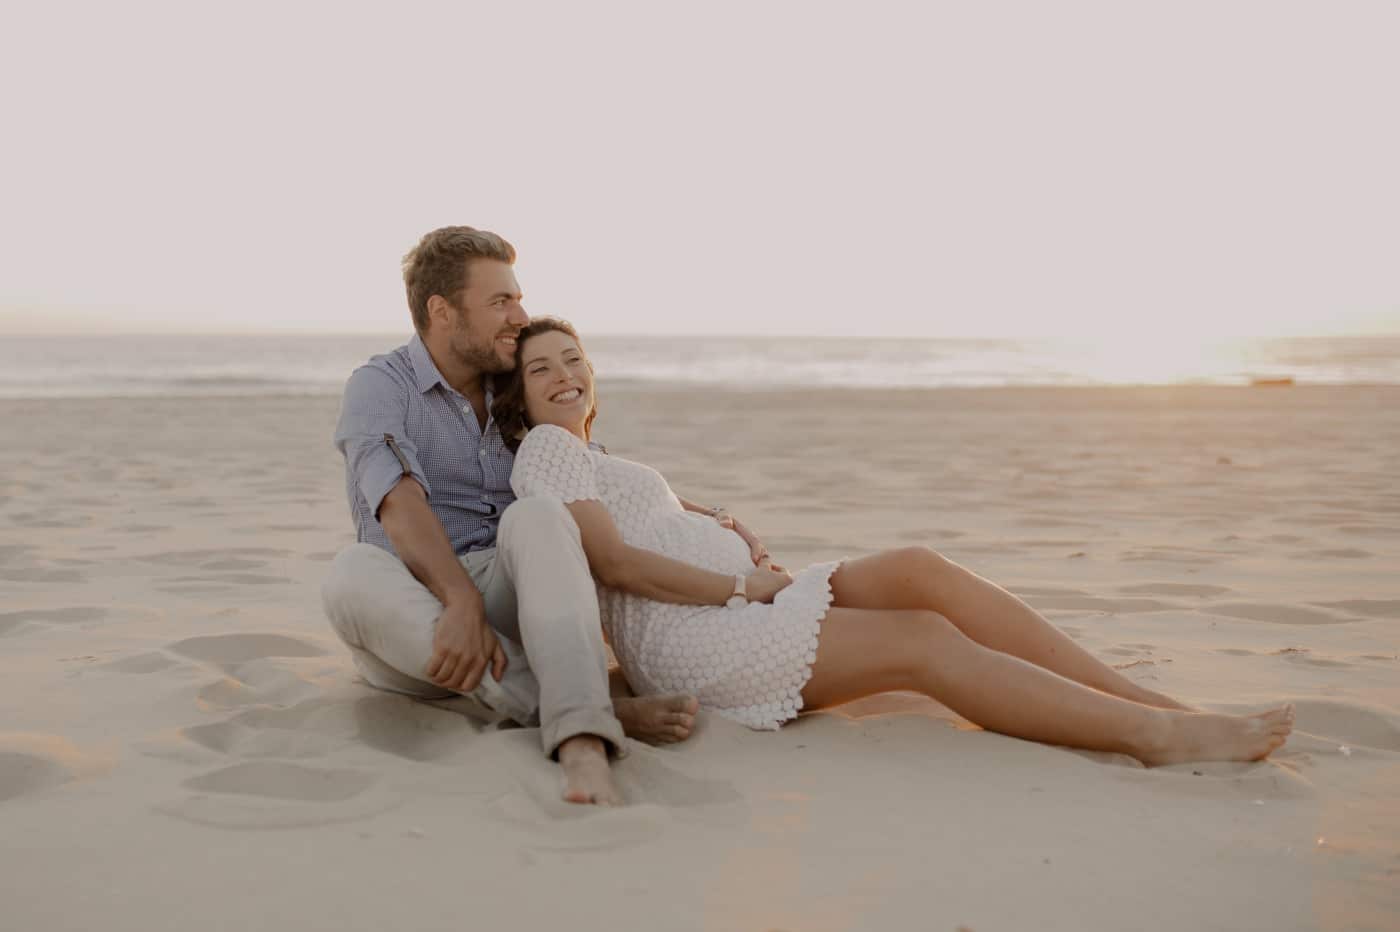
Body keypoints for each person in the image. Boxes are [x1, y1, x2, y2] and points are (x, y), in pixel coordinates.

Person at [491, 317, 1297, 771]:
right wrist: (742, 587)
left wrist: (717, 524)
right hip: (702, 634)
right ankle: (1152, 736)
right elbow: (616, 564)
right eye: (541, 371)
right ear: (519, 401)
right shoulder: (548, 449)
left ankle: (1142, 699)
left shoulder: (593, 456)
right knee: (920, 639)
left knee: (920, 568)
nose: (565, 375)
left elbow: (641, 522)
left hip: (733, 607)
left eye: (574, 359)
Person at [321, 226, 707, 807]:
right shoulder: (380, 386)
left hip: (516, 600)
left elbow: (590, 473)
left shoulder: (513, 383)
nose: (520, 316)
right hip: (416, 617)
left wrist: (711, 517)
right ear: (441, 311)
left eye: (518, 298)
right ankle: (588, 709)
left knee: (540, 516)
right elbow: (398, 504)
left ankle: (581, 739)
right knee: (350, 571)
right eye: (501, 301)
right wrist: (459, 600)